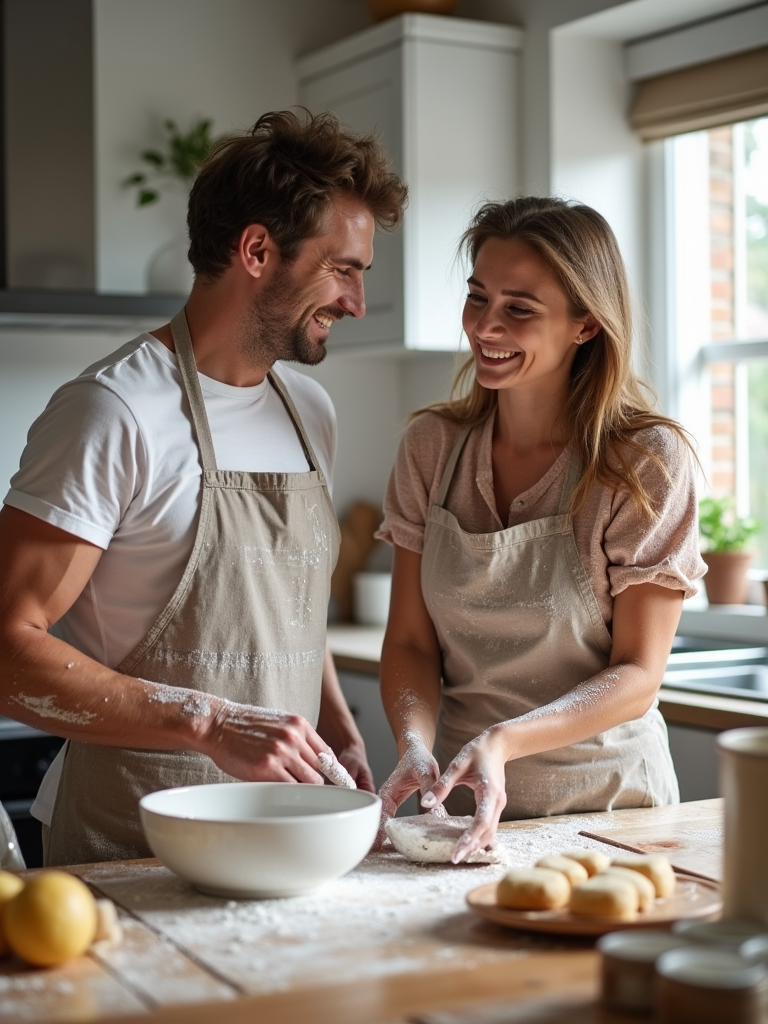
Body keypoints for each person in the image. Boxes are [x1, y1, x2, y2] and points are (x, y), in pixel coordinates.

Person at [0, 109, 408, 866]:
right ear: (257, 249)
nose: (355, 301)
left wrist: (340, 730)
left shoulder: (309, 411)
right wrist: (209, 723)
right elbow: (5, 650)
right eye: (343, 268)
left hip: (289, 843)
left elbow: (280, 603)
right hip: (131, 850)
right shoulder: (113, 411)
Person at [376, 197, 706, 864]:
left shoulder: (641, 465)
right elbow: (410, 640)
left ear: (585, 325)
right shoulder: (431, 448)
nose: (485, 326)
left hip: (613, 813)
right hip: (465, 810)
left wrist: (504, 740)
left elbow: (639, 673)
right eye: (478, 298)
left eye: (518, 309)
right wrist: (415, 740)